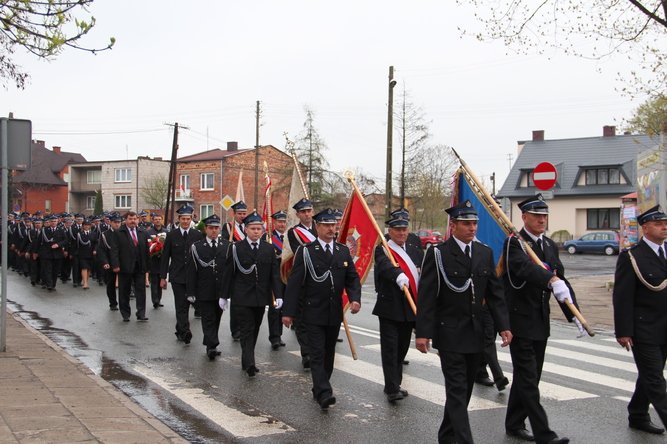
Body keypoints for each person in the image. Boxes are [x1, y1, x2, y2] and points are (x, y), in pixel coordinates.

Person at [416, 200, 511, 444]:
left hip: (475, 333)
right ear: (454, 225)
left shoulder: (484, 252)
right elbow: (427, 295)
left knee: (465, 390)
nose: (472, 228)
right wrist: (423, 333)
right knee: (457, 391)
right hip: (449, 333)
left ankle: (446, 436)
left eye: (474, 223)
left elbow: (494, 294)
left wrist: (504, 326)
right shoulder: (438, 254)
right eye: (467, 224)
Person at [502, 194, 579, 444]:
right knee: (527, 379)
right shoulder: (515, 243)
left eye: (544, 216)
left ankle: (514, 423)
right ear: (524, 217)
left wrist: (572, 312)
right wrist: (549, 279)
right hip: (519, 321)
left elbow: (561, 280)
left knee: (530, 377)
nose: (542, 220)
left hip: (540, 321)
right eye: (536, 216)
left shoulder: (548, 245)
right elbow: (524, 269)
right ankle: (545, 434)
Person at [282, 208, 361, 410]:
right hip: (312, 312)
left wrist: (354, 299)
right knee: (316, 353)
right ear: (317, 227)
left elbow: (352, 278)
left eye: (333, 225)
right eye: (326, 225)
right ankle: (325, 392)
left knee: (328, 355)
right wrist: (288, 312)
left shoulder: (342, 251)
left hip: (334, 313)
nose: (330, 229)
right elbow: (294, 283)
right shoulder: (306, 251)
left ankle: (319, 387)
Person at [613, 205, 667, 435]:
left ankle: (637, 413)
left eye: (665, 223)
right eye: (658, 224)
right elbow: (622, 297)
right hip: (644, 328)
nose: (664, 227)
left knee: (649, 375)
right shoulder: (632, 256)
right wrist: (623, 331)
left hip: (665, 327)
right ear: (645, 228)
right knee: (656, 380)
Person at [221, 211, 283, 375]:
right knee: (247, 328)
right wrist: (224, 296)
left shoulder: (268, 249)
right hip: (241, 297)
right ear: (246, 230)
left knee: (255, 328)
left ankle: (246, 357)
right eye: (253, 228)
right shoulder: (236, 248)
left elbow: (274, 275)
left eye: (259, 229)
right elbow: (228, 273)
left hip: (260, 297)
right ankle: (250, 363)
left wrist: (279, 295)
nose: (256, 232)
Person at [373, 209, 424, 402]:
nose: (401, 233)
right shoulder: (383, 247)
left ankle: (396, 382)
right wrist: (397, 275)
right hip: (390, 307)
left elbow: (420, 270)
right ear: (390, 231)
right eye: (397, 230)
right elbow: (384, 265)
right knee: (390, 348)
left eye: (404, 229)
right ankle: (391, 387)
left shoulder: (413, 248)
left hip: (410, 307)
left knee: (402, 349)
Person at [185, 214, 229, 360]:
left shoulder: (226, 245)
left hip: (221, 289)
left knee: (217, 317)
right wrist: (190, 291)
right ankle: (212, 346)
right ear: (206, 229)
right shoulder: (197, 247)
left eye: (216, 228)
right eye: (211, 228)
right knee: (208, 317)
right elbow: (191, 271)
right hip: (204, 288)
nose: (214, 231)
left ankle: (210, 342)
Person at [161, 204, 203, 342]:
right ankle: (185, 331)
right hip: (177, 276)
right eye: (183, 219)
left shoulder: (197, 235)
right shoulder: (172, 235)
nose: (185, 221)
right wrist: (163, 277)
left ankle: (180, 329)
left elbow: (201, 257)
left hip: (193, 277)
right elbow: (165, 256)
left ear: (191, 219)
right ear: (178, 219)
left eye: (188, 219)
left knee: (189, 303)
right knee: (181, 304)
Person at [286, 197, 317, 369]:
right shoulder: (294, 232)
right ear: (298, 214)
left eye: (309, 211)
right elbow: (303, 252)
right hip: (305, 278)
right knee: (302, 318)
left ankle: (316, 350)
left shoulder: (321, 227)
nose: (307, 214)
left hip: (321, 280)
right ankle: (306, 353)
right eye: (303, 212)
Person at [109, 211, 150, 322]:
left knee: (141, 291)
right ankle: (125, 314)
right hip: (124, 266)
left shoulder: (142, 232)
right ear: (125, 220)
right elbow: (114, 250)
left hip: (139, 266)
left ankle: (141, 313)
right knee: (124, 291)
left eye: (135, 219)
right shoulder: (118, 233)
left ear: (138, 220)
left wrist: (147, 266)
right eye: (130, 219)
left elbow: (146, 250)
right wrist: (115, 265)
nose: (133, 221)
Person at [221, 200, 247, 340]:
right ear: (234, 214)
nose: (242, 216)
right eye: (239, 213)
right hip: (235, 266)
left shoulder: (249, 226)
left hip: (247, 266)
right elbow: (225, 244)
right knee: (236, 299)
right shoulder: (228, 227)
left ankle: (245, 327)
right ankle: (235, 329)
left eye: (244, 213)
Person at [267, 210, 288, 350]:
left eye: (284, 221)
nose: (282, 224)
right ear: (274, 223)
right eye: (279, 221)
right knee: (275, 308)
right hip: (274, 278)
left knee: (284, 308)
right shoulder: (268, 237)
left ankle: (280, 335)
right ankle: (274, 337)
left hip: (288, 277)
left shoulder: (289, 237)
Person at [36, 215, 68, 292]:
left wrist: (58, 244)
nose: (53, 223)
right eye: (52, 221)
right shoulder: (44, 230)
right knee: (48, 270)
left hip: (57, 254)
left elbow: (66, 240)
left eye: (55, 221)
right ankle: (49, 284)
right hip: (47, 253)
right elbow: (38, 241)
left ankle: (53, 284)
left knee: (55, 270)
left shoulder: (61, 230)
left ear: (57, 222)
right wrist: (35, 252)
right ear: (49, 222)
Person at [97, 213, 121, 310]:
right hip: (110, 263)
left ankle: (124, 302)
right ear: (110, 222)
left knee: (124, 284)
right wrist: (105, 262)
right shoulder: (105, 235)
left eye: (119, 222)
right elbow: (101, 250)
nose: (117, 224)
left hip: (122, 261)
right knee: (111, 284)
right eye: (115, 222)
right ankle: (113, 303)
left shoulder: (124, 233)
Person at [147, 213, 167, 308]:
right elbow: (147, 245)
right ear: (153, 220)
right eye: (156, 219)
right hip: (153, 260)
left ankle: (159, 299)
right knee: (154, 281)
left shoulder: (166, 231)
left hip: (163, 260)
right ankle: (155, 300)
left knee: (161, 280)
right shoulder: (149, 232)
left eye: (159, 219)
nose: (158, 220)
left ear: (162, 220)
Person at [76, 218, 96, 290]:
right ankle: (85, 283)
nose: (87, 226)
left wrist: (95, 250)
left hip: (91, 253)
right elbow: (77, 244)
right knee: (84, 267)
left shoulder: (93, 233)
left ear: (90, 226)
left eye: (88, 225)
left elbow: (96, 243)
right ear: (83, 226)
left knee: (89, 269)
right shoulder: (79, 234)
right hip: (82, 253)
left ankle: (86, 281)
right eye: (85, 225)